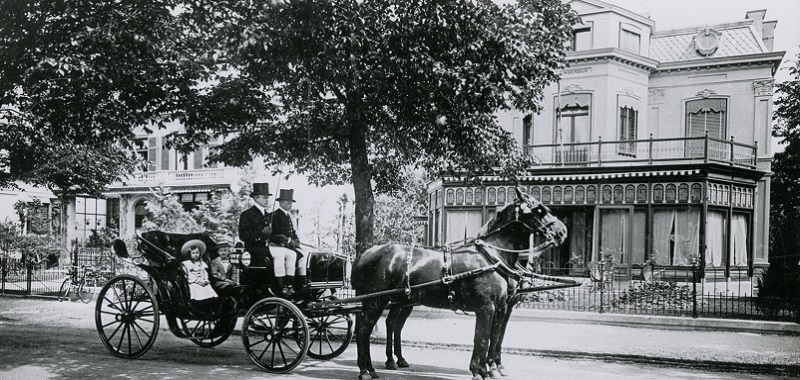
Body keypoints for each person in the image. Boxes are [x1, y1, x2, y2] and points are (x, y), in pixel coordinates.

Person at [238, 182, 275, 292]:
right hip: (254, 253)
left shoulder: (270, 216)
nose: (267, 200)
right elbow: (243, 235)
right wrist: (261, 233)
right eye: (264, 197)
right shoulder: (247, 214)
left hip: (269, 251)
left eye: (268, 197)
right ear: (256, 198)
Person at [270, 189, 307, 294]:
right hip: (277, 246)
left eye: (291, 203)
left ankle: (302, 283)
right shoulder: (274, 215)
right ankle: (286, 285)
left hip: (289, 246)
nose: (290, 205)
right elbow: (273, 234)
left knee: (304, 256)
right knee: (292, 256)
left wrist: (296, 240)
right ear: (281, 203)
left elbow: (292, 232)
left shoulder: (288, 215)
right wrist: (288, 240)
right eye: (288, 203)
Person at [180, 240, 218, 308]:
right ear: (190, 254)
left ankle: (208, 306)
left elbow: (205, 272)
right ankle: (198, 306)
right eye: (193, 253)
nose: (195, 255)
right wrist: (197, 281)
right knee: (198, 290)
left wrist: (205, 280)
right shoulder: (187, 264)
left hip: (203, 281)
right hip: (194, 282)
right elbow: (189, 275)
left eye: (197, 253)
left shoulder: (202, 263)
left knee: (208, 288)